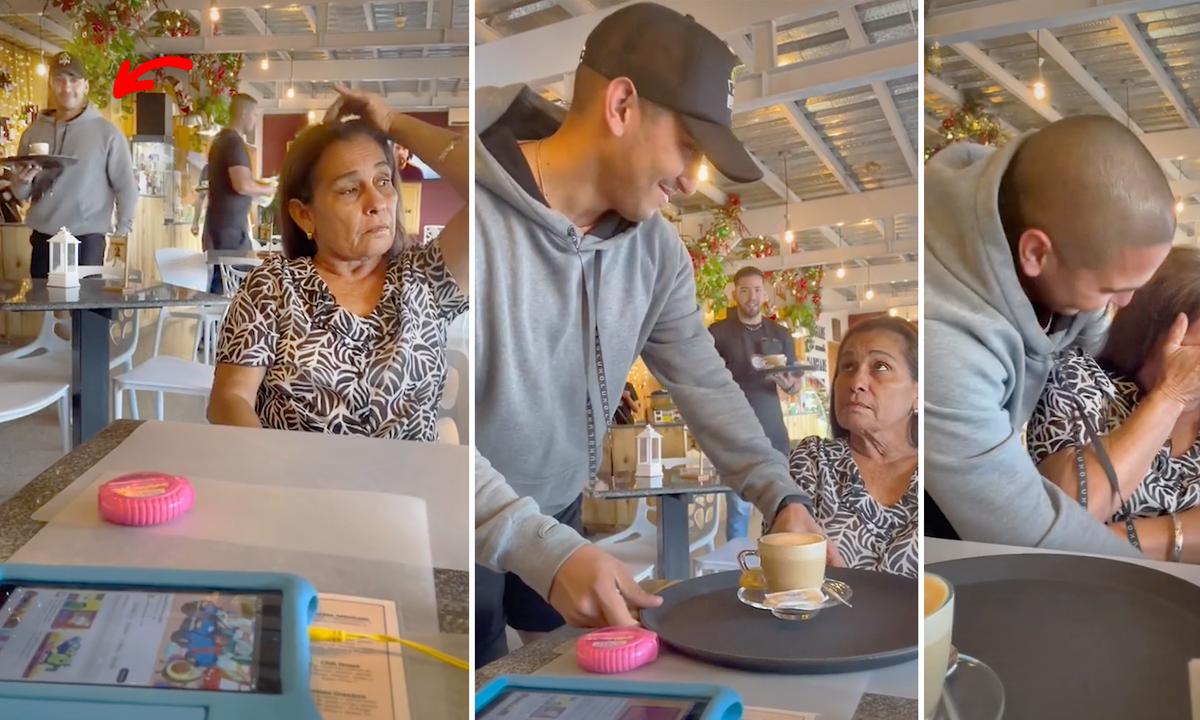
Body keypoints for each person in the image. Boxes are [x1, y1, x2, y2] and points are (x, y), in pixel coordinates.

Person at [474, 2, 839, 666]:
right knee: (477, 675)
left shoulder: (658, 254)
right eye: (689, 149)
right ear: (621, 105)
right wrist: (539, 549)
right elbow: (429, 429)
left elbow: (706, 385)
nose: (690, 180)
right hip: (463, 515)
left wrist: (779, 496)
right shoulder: (466, 222)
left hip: (559, 508)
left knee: (562, 672)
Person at [925, 114, 1176, 554]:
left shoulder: (1036, 216)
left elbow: (1094, 341)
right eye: (1111, 289)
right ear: (1036, 253)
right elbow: (1028, 533)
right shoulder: (945, 351)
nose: (1126, 304)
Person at [207, 86, 468, 439]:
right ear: (304, 215)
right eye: (349, 189)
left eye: (383, 180)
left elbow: (496, 192)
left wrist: (393, 122)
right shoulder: (274, 286)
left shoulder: (427, 278)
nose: (377, 201)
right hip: (296, 485)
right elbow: (230, 398)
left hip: (404, 490)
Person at [1027, 247, 1200, 562]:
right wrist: (1171, 395)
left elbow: (1073, 541)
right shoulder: (1079, 377)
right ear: (1159, 330)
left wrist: (1108, 540)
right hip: (1089, 595)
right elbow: (1067, 513)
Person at [790, 317, 918, 577]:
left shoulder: (941, 472)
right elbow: (783, 576)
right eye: (847, 366)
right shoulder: (813, 462)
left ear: (918, 392)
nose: (856, 382)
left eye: (880, 366)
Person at [10, 52, 137, 278]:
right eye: (59, 80)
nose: (67, 88)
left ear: (85, 86)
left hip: (86, 240)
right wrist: (20, 182)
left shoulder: (108, 134)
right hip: (43, 237)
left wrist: (122, 232)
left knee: (86, 312)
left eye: (74, 80)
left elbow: (126, 186)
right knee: (43, 307)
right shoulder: (33, 133)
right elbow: (22, 192)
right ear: (51, 84)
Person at [709, 265, 803, 539]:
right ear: (734, 293)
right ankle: (738, 571)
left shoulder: (780, 334)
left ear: (765, 293)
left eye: (757, 290)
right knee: (739, 511)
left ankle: (780, 571)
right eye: (745, 291)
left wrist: (789, 384)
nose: (751, 297)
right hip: (735, 434)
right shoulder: (718, 333)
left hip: (774, 433)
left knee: (781, 508)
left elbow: (795, 383)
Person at [203, 93, 276, 291]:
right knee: (235, 290)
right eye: (254, 114)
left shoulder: (221, 140)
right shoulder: (233, 143)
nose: (255, 119)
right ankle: (224, 323)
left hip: (221, 228)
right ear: (244, 113)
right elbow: (242, 185)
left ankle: (218, 322)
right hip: (229, 233)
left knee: (225, 288)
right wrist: (269, 188)